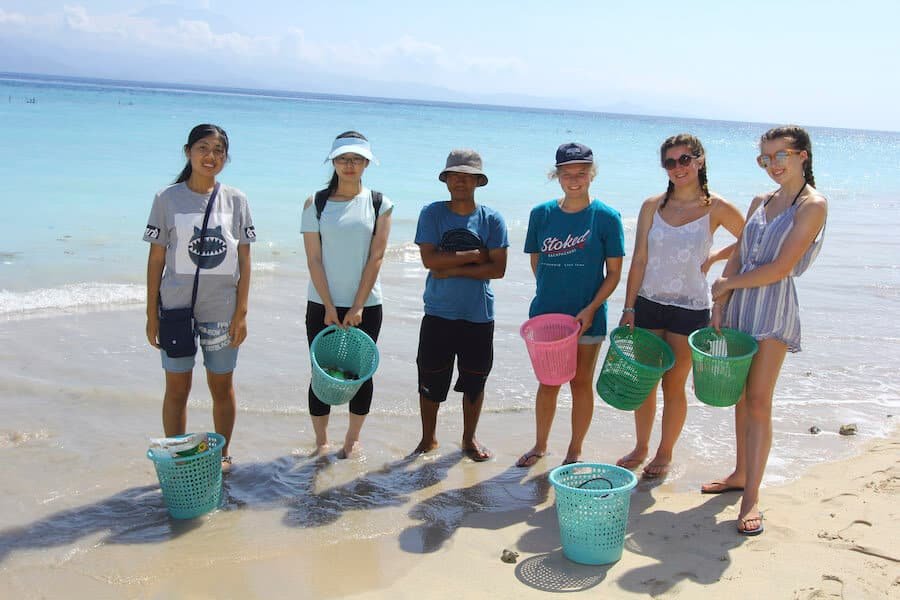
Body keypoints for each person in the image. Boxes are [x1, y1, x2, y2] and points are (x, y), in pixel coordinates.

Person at [702, 126, 827, 536]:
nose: (773, 165)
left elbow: (781, 267)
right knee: (739, 396)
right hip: (738, 306)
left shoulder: (813, 205)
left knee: (758, 401)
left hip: (772, 309)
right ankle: (740, 472)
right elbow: (739, 254)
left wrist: (727, 285)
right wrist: (720, 301)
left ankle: (752, 496)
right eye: (765, 158)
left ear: (802, 156)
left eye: (780, 156)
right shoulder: (761, 200)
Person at [616, 134, 744, 478]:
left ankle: (664, 452)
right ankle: (641, 447)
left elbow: (750, 239)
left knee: (674, 386)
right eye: (670, 162)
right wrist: (628, 308)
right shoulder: (652, 206)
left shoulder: (716, 207)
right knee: (645, 384)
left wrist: (717, 257)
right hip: (648, 303)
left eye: (684, 159)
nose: (677, 168)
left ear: (699, 161)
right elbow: (639, 259)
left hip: (690, 308)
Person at [144, 123, 255, 469]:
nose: (210, 156)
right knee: (177, 390)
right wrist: (151, 314)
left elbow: (246, 260)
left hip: (222, 310)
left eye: (218, 150)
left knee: (222, 389)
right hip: (175, 309)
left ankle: (222, 456)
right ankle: (177, 460)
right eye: (203, 148)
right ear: (188, 152)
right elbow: (157, 258)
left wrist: (241, 314)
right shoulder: (167, 198)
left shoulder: (236, 200)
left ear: (226, 157)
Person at [517, 143, 625, 467]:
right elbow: (537, 262)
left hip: (588, 317)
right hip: (547, 317)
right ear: (557, 176)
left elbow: (615, 272)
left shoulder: (607, 217)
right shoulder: (541, 214)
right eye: (567, 174)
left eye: (581, 173)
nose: (574, 180)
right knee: (548, 383)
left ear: (592, 174)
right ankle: (539, 446)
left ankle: (575, 450)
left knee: (580, 384)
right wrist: (551, 299)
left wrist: (591, 308)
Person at [412, 149, 508, 462]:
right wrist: (472, 256)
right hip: (438, 312)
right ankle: (428, 439)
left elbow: (497, 269)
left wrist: (449, 266)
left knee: (475, 380)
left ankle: (469, 439)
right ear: (446, 179)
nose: (460, 181)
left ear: (478, 181)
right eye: (455, 175)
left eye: (467, 176)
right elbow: (429, 260)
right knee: (430, 379)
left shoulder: (492, 219)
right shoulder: (432, 213)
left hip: (478, 315)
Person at [301, 131, 393, 458]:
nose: (349, 164)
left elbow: (377, 257)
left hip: (366, 305)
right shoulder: (316, 202)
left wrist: (357, 306)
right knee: (320, 373)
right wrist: (328, 305)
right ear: (333, 161)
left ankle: (352, 439)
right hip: (321, 302)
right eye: (342, 158)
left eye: (356, 159)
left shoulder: (380, 203)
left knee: (360, 376)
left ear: (367, 162)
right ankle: (321, 441)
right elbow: (313, 257)